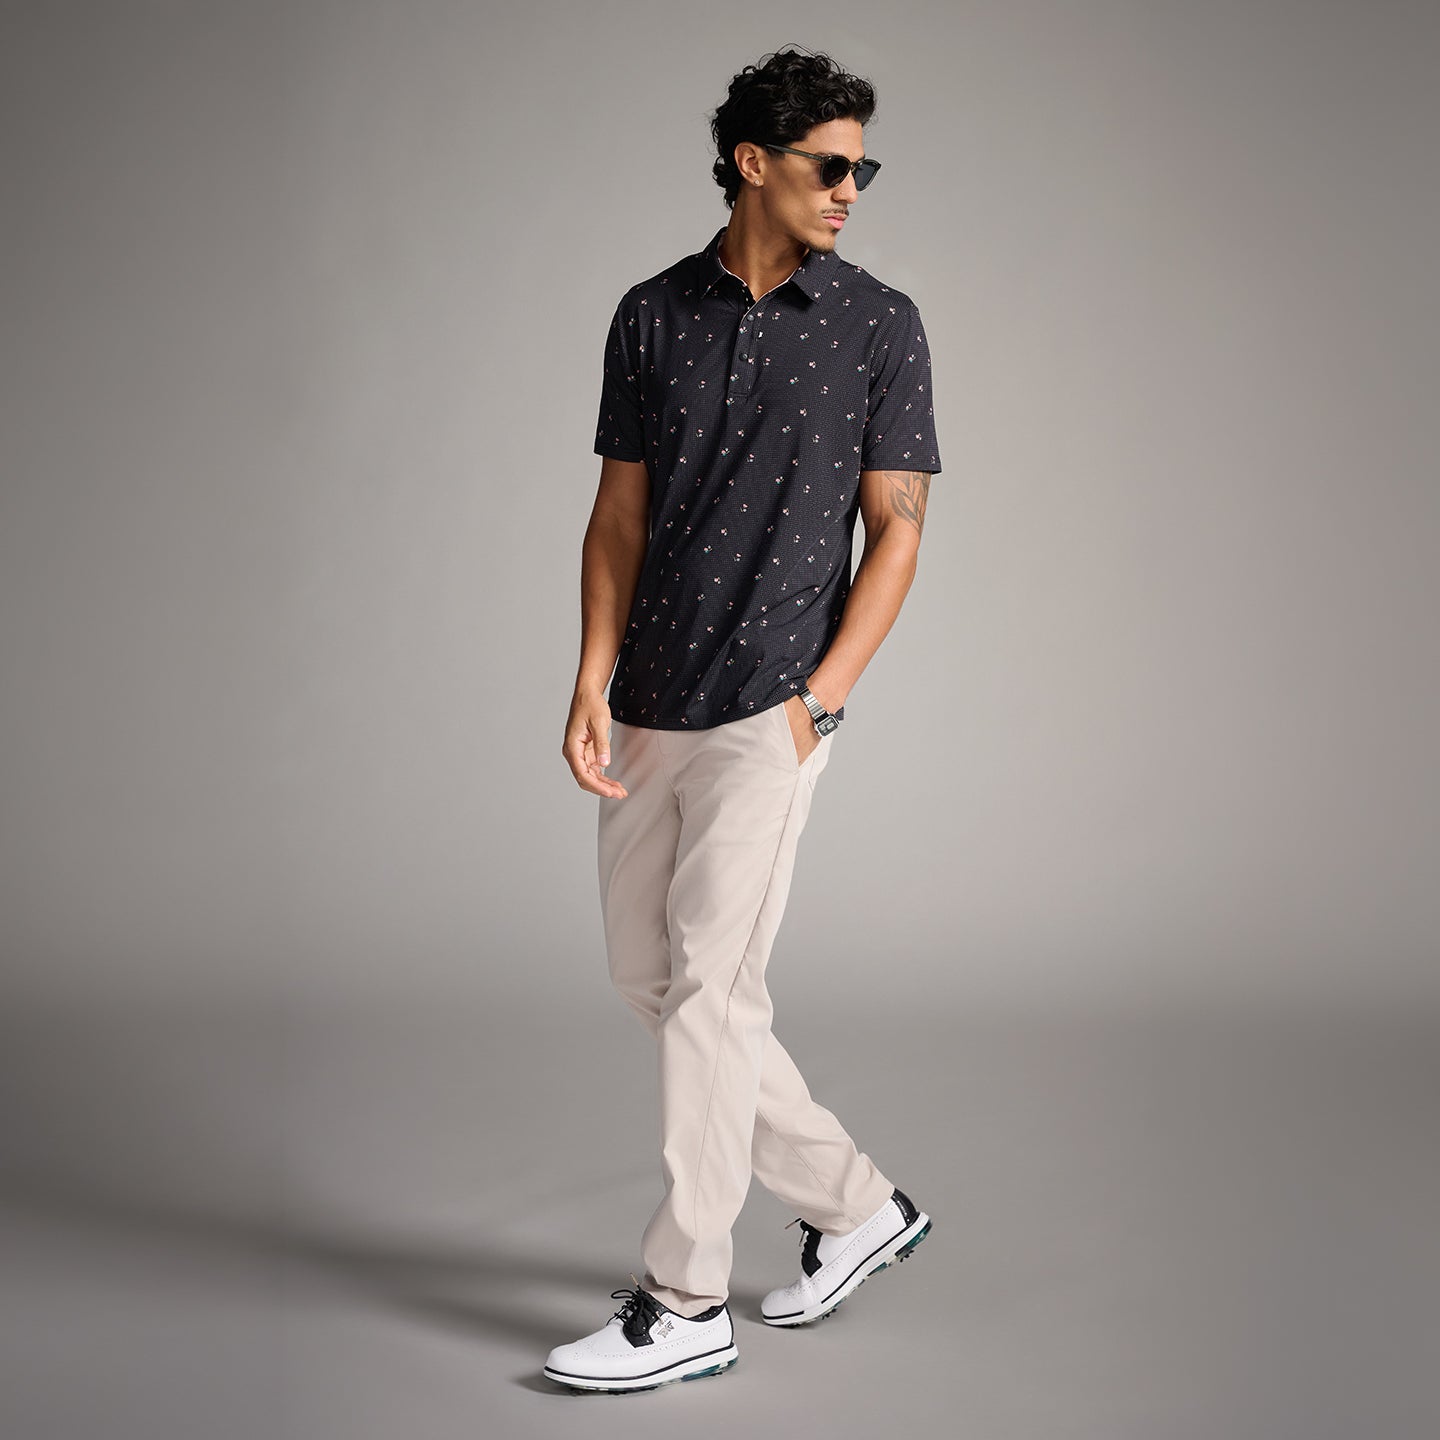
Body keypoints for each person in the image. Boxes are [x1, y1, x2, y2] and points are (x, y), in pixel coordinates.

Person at [549, 46, 942, 1394]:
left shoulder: (881, 324)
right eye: (831, 166)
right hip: (651, 700)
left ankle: (685, 1301)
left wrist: (819, 705)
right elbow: (617, 514)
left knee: (714, 991)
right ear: (752, 163)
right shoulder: (650, 315)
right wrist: (590, 676)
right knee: (653, 984)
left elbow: (899, 533)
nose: (851, 190)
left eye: (862, 169)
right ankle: (856, 1206)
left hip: (772, 706)